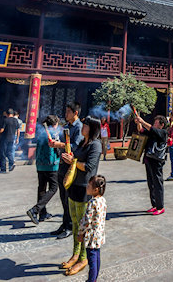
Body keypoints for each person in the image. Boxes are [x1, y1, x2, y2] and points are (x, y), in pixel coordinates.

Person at [59, 117, 102, 277]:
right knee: (75, 224)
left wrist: (74, 161)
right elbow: (74, 158)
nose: (82, 127)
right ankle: (75, 255)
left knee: (83, 227)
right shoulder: (82, 142)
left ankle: (83, 258)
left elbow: (89, 167)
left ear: (91, 128)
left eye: (85, 125)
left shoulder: (95, 145)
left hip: (86, 188)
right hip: (74, 187)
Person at [51, 101, 84, 240]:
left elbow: (76, 146)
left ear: (75, 113)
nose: (66, 115)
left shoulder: (79, 127)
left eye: (68, 112)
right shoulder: (67, 126)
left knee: (68, 197)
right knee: (63, 197)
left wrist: (59, 144)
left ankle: (70, 226)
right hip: (62, 165)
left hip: (71, 166)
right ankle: (64, 224)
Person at [26, 115, 62, 225]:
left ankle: (42, 213)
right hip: (51, 165)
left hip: (40, 165)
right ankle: (35, 210)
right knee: (53, 188)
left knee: (41, 188)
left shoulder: (41, 132)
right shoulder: (52, 133)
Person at [133, 108, 168, 214]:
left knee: (157, 183)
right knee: (151, 183)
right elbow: (142, 131)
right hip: (148, 159)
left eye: (156, 123)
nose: (154, 124)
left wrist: (142, 121)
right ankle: (154, 204)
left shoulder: (162, 133)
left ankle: (160, 207)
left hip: (156, 160)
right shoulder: (152, 132)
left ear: (161, 125)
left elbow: (152, 129)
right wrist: (138, 123)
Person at [79, 175, 107, 282]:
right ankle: (94, 278)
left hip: (91, 236)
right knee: (97, 256)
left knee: (92, 260)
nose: (87, 186)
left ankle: (91, 280)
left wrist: (80, 233)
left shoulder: (92, 203)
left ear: (96, 189)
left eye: (89, 185)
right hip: (99, 234)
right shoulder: (102, 200)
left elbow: (86, 221)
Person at [0, 108, 19, 173]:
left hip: (5, 138)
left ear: (7, 114)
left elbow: (2, 129)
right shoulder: (15, 120)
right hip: (12, 138)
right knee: (9, 152)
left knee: (3, 153)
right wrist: (17, 138)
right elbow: (18, 130)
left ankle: (3, 169)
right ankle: (12, 163)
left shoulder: (5, 120)